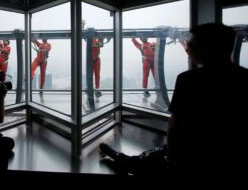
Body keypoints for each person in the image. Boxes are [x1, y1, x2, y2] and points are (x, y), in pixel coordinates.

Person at [100, 23, 248, 179]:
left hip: (191, 156)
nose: (187, 48)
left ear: (208, 48)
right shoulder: (244, 78)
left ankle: (123, 161)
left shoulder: (188, 80)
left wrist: (172, 159)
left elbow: (175, 124)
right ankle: (124, 160)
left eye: (191, 43)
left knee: (151, 160)